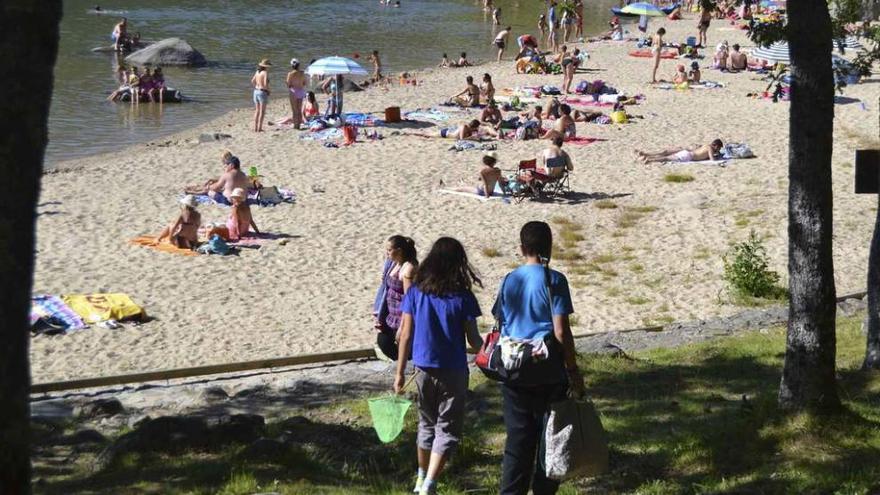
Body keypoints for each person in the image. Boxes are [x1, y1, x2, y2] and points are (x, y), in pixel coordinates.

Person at [494, 221, 584, 495]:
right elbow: (560, 331)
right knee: (551, 442)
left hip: (515, 370)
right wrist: (573, 369)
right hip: (548, 371)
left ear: (522, 249)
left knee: (518, 443)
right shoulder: (554, 280)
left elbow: (500, 321)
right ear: (550, 248)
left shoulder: (510, 279)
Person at [394, 237, 484, 495]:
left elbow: (406, 335)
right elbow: (473, 339)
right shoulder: (463, 297)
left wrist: (400, 372)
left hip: (422, 368)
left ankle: (420, 479)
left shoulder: (415, 293)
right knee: (447, 429)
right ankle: (430, 484)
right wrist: (492, 356)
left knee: (426, 424)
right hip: (453, 370)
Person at [374, 235, 418, 361]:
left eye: (389, 250)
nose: (386, 253)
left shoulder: (408, 268)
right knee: (383, 341)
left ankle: (406, 366)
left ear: (399, 251)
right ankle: (401, 364)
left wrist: (403, 325)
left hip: (402, 315)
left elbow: (410, 299)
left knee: (404, 346)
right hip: (391, 314)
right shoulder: (393, 264)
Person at [637, 138, 724, 163]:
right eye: (719, 148)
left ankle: (647, 155)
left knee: (666, 154)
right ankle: (649, 160)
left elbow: (702, 154)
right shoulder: (710, 149)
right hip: (688, 156)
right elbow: (712, 160)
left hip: (687, 152)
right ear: (716, 146)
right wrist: (718, 157)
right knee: (666, 158)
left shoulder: (706, 145)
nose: (718, 150)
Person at [286, 58, 307, 130]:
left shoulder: (290, 74)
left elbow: (288, 84)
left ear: (292, 66)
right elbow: (305, 83)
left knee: (294, 110)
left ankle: (296, 126)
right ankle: (298, 125)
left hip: (293, 91)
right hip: (301, 91)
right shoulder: (302, 73)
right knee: (299, 109)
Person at [251, 59, 271, 132]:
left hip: (256, 91)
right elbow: (265, 84)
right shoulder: (265, 73)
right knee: (262, 111)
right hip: (262, 92)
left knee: (257, 110)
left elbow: (252, 81)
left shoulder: (257, 72)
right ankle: (259, 128)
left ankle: (255, 128)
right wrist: (268, 91)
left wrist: (257, 86)